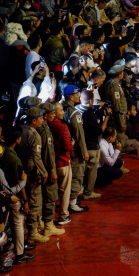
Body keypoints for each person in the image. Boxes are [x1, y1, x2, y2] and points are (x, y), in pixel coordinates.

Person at [0, 126, 34, 264]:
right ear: (17, 140)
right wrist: (25, 200)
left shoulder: (3, 154)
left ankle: (18, 246)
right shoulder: (14, 159)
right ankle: (20, 253)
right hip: (14, 196)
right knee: (18, 223)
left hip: (4, 196)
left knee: (10, 223)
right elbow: (20, 180)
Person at [36, 103, 65, 237]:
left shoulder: (41, 127)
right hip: (47, 168)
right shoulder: (44, 130)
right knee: (50, 196)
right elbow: (47, 152)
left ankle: (40, 222)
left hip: (42, 168)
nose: (54, 115)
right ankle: (48, 226)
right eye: (52, 113)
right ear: (45, 115)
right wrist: (52, 170)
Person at [22, 107, 50, 243]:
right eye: (40, 118)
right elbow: (36, 157)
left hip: (20, 171)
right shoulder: (35, 135)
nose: (42, 120)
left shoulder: (20, 129)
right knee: (34, 201)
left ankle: (27, 227)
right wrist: (44, 172)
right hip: (32, 171)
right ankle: (33, 232)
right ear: (33, 121)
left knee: (24, 199)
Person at [61, 84, 90, 214]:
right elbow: (79, 134)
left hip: (64, 148)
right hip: (75, 150)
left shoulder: (61, 108)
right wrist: (84, 151)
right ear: (71, 97)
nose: (79, 96)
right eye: (77, 94)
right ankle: (72, 203)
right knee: (77, 175)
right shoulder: (74, 112)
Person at [79, 90, 110, 200]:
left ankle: (79, 190)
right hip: (91, 145)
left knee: (80, 171)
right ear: (91, 101)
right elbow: (99, 131)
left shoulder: (76, 111)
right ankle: (88, 193)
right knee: (92, 171)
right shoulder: (90, 115)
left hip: (80, 146)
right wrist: (106, 118)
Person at [50, 102, 74, 225]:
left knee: (50, 192)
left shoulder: (45, 125)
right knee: (64, 191)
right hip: (63, 162)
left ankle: (47, 219)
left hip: (50, 164)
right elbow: (66, 146)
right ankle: (63, 216)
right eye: (61, 110)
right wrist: (72, 145)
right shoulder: (61, 126)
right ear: (54, 112)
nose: (63, 112)